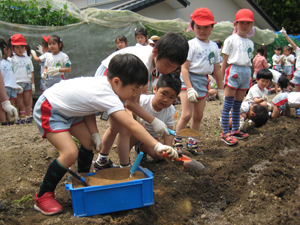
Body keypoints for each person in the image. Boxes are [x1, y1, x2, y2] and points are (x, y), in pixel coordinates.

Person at [33, 53, 178, 215]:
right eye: (134, 89)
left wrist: (95, 133)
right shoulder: (108, 95)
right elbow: (130, 124)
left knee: (89, 144)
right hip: (50, 108)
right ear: (117, 82)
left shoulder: (106, 84)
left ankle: (84, 178)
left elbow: (86, 106)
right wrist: (157, 145)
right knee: (70, 152)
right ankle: (43, 195)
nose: (135, 94)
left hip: (70, 111)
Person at [94, 32, 189, 169]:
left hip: (116, 76)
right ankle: (124, 168)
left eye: (174, 67)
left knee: (115, 126)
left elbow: (134, 101)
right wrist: (153, 120)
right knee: (125, 129)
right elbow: (130, 103)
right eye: (167, 65)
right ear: (155, 52)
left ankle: (101, 161)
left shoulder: (150, 60)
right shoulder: (142, 64)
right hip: (110, 77)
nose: (169, 70)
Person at [174, 7, 224, 155]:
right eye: (198, 27)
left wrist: (220, 89)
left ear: (212, 27)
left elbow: (217, 70)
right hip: (188, 80)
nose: (202, 30)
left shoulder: (214, 46)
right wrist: (189, 88)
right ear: (193, 27)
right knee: (186, 114)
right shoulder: (191, 44)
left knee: (198, 116)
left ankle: (192, 142)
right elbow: (184, 68)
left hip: (203, 80)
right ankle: (177, 141)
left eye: (206, 27)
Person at [220, 8, 255, 145]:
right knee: (228, 103)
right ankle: (225, 132)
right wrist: (221, 80)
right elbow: (224, 61)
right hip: (233, 70)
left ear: (252, 25)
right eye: (241, 23)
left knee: (238, 104)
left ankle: (235, 129)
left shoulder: (251, 43)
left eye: (248, 23)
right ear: (235, 24)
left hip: (246, 71)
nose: (244, 26)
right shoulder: (230, 40)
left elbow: (249, 60)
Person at [129, 73, 181, 163]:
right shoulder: (142, 101)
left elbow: (168, 132)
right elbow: (127, 109)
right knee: (140, 124)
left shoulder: (170, 110)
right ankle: (125, 157)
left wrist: (169, 149)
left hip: (150, 136)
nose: (165, 100)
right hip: (132, 132)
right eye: (164, 94)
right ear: (155, 89)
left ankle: (141, 148)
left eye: (171, 97)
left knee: (161, 155)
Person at [8, 34, 34, 124]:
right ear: (13, 48)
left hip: (27, 82)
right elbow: (10, 71)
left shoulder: (28, 59)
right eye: (17, 47)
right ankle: (17, 118)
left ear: (25, 47)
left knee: (27, 101)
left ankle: (27, 117)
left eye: (22, 47)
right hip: (17, 83)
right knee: (17, 102)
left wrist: (32, 83)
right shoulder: (12, 59)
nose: (20, 49)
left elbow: (31, 71)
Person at [280, 27, 300, 115]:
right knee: (297, 93)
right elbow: (292, 43)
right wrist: (285, 35)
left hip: (298, 73)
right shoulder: (298, 50)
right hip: (298, 73)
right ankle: (297, 109)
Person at [0, 38, 20, 125]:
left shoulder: (9, 61)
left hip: (10, 86)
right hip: (5, 86)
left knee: (11, 103)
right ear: (5, 50)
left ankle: (12, 121)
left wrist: (6, 103)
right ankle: (4, 122)